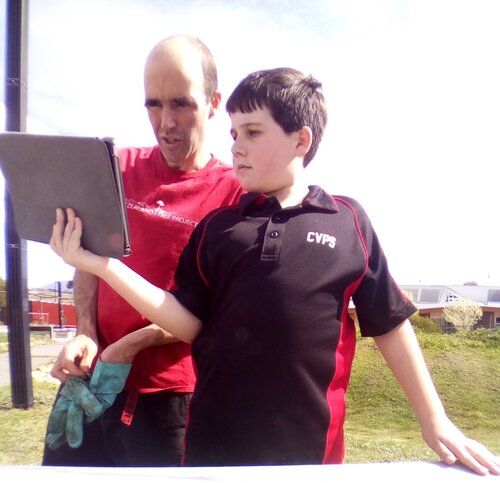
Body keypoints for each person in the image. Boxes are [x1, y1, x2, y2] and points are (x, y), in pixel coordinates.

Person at [49, 67, 500, 475]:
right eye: (233, 132)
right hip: (211, 456)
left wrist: (435, 421)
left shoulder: (348, 222)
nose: (235, 146)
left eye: (252, 132)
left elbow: (391, 325)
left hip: (311, 459)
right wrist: (103, 266)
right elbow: (186, 323)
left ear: (300, 141)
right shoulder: (217, 228)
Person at [42, 35, 243, 467]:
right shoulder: (118, 169)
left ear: (213, 102)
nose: (165, 121)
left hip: (169, 398)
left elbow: (219, 309)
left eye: (181, 103)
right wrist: (86, 333)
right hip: (90, 378)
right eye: (153, 104)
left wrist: (134, 343)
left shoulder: (235, 193)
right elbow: (89, 264)